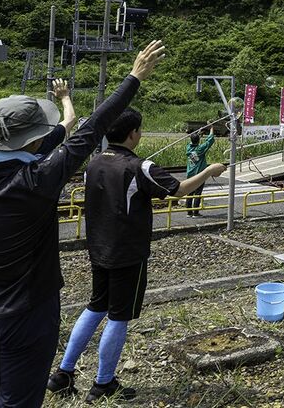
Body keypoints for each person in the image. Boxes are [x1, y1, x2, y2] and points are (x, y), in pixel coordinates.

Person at [0, 37, 166, 408]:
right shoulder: (38, 180)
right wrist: (134, 77)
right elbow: (92, 129)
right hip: (29, 312)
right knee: (19, 400)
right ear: (34, 142)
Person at [48, 110, 227, 402]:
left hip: (98, 248)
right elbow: (178, 191)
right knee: (119, 316)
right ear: (133, 133)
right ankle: (103, 383)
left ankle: (63, 373)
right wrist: (209, 171)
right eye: (140, 129)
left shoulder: (93, 162)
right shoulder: (140, 166)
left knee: (96, 307)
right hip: (127, 252)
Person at [184, 123, 216, 217]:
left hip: (190, 174)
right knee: (198, 193)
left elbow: (194, 140)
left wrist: (198, 133)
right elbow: (209, 140)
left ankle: (189, 212)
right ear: (198, 141)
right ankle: (195, 212)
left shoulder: (188, 148)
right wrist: (211, 128)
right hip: (199, 174)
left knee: (190, 193)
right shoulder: (200, 149)